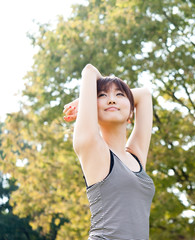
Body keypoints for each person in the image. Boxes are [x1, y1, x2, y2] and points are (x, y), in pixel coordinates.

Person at [63, 64, 155, 240]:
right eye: (102, 95)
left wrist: (91, 100)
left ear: (130, 114)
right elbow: (89, 71)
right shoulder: (91, 146)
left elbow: (144, 94)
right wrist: (87, 102)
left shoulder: (135, 156)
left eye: (119, 95)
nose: (112, 100)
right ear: (92, 111)